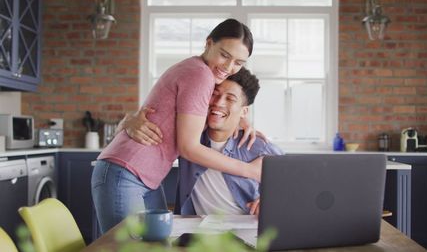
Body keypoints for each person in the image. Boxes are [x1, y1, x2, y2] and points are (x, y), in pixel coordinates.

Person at [91, 19, 262, 234]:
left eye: (238, 62)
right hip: (125, 174)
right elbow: (188, 147)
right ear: (208, 43)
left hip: (143, 176)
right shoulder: (200, 75)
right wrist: (249, 170)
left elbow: (208, 107)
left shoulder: (199, 71)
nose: (229, 67)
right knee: (127, 248)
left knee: (157, 244)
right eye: (225, 55)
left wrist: (240, 118)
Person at [175, 68, 283, 216]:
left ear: (244, 112)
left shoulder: (259, 147)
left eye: (230, 98)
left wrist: (274, 200)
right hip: (198, 233)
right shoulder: (188, 137)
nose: (218, 102)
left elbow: (297, 185)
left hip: (246, 234)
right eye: (214, 94)